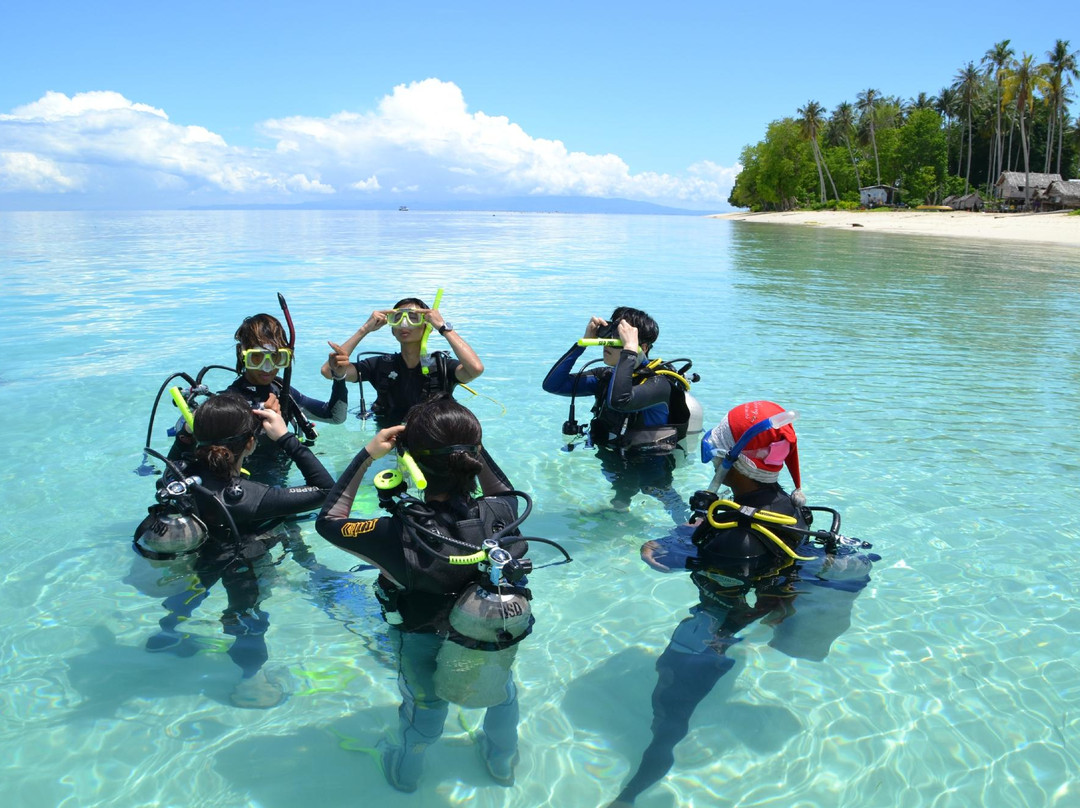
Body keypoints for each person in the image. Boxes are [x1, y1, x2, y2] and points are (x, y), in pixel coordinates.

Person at [607, 401, 877, 806]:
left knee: (668, 710)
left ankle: (633, 791)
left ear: (733, 461)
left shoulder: (737, 535)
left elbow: (659, 561)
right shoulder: (788, 506)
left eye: (719, 452)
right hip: (755, 608)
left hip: (716, 625)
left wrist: (671, 540)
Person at [316, 395, 530, 792]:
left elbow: (329, 521)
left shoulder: (395, 535)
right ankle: (501, 761)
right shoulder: (502, 514)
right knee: (501, 691)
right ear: (475, 457)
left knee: (426, 704)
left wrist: (365, 455)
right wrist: (470, 444)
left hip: (421, 638)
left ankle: (407, 770)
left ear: (410, 463)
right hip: (489, 634)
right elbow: (501, 489)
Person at [135, 393, 334, 708]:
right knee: (248, 618)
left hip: (197, 555)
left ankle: (166, 636)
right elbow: (325, 490)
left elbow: (181, 453)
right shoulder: (249, 497)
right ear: (251, 444)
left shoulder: (177, 474)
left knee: (192, 592)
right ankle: (251, 683)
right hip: (240, 563)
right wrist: (286, 438)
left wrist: (188, 437)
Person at [542, 306, 700, 520]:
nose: (607, 343)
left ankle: (687, 526)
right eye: (609, 334)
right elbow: (553, 384)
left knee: (660, 492)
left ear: (640, 346)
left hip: (650, 462)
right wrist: (582, 343)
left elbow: (620, 401)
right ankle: (619, 510)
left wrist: (628, 350)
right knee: (621, 488)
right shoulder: (605, 376)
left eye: (618, 336)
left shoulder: (658, 384)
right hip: (614, 452)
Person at [170, 313, 348, 484]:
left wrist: (339, 378)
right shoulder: (229, 402)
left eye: (277, 357)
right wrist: (260, 422)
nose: (268, 367)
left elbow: (335, 417)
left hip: (278, 487)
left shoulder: (282, 391)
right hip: (242, 491)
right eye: (257, 357)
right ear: (243, 354)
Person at [320, 297, 484, 427]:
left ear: (427, 327)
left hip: (434, 436)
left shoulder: (441, 366)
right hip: (390, 439)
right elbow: (329, 371)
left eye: (413, 318)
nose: (404, 324)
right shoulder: (381, 365)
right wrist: (364, 329)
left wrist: (443, 327)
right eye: (397, 318)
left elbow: (475, 369)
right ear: (392, 329)